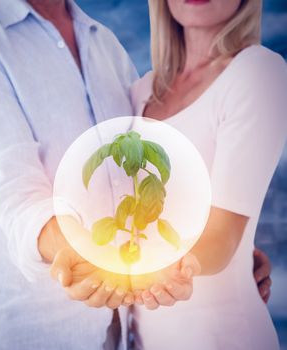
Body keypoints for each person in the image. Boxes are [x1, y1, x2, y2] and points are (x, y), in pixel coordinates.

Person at [0, 0, 275, 349]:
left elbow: (134, 179)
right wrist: (75, 253)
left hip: (116, 339)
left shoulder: (105, 46)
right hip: (15, 337)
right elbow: (18, 197)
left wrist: (228, 251)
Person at [127, 0, 287, 348]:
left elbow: (220, 238)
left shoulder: (257, 72)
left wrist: (126, 272)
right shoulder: (141, 91)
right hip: (143, 337)